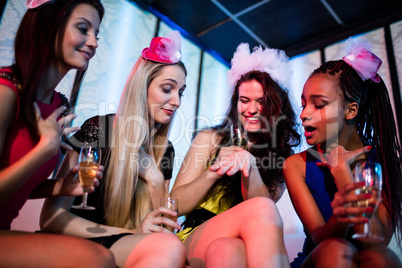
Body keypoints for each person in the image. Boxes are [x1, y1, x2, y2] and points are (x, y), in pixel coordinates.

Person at [41, 31, 188, 267]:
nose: (177, 101)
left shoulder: (165, 150)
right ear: (143, 87)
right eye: (168, 89)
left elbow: (161, 230)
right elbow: (50, 218)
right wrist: (128, 233)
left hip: (127, 250)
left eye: (180, 92)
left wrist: (155, 177)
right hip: (79, 244)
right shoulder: (99, 129)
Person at [0, 0, 115, 267]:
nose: (94, 43)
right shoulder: (6, 93)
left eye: (96, 35)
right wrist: (44, 151)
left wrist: (61, 187)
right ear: (49, 25)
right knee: (93, 258)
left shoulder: (58, 104)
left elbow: (21, 188)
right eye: (83, 29)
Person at [170, 43, 301, 268]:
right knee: (259, 212)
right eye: (244, 100)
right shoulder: (211, 138)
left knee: (229, 250)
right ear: (236, 102)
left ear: (274, 106)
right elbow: (175, 205)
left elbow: (261, 209)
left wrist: (250, 168)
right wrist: (213, 172)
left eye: (261, 102)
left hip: (240, 243)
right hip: (195, 236)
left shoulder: (281, 158)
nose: (251, 109)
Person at [283, 38, 402, 267]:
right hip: (320, 257)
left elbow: (377, 239)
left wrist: (342, 174)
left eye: (318, 105)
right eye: (304, 104)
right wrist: (343, 213)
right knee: (336, 249)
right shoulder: (295, 165)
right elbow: (320, 238)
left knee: (382, 257)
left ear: (351, 110)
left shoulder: (387, 163)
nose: (304, 114)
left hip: (364, 259)